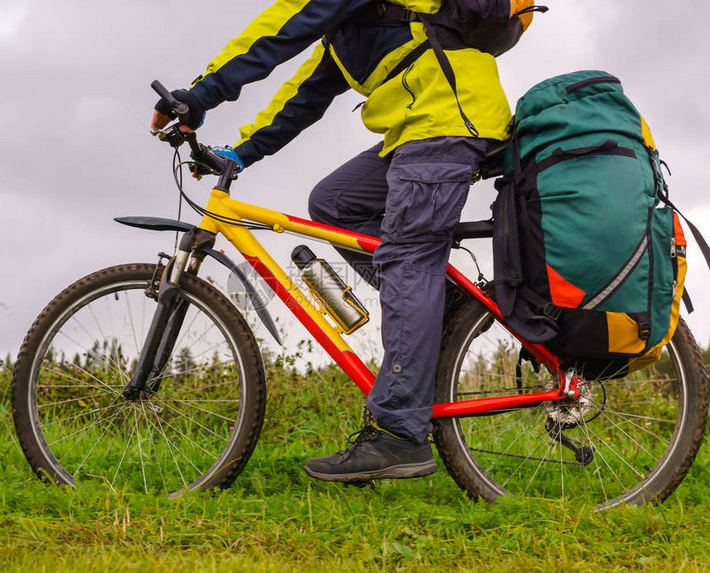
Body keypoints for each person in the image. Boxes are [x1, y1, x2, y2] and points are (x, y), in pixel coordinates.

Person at [151, 0, 532, 483]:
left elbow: (285, 27)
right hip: (420, 130)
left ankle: (399, 435)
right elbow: (302, 98)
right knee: (335, 203)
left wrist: (201, 95)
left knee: (407, 259)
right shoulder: (352, 30)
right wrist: (239, 154)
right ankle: (448, 308)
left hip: (447, 127)